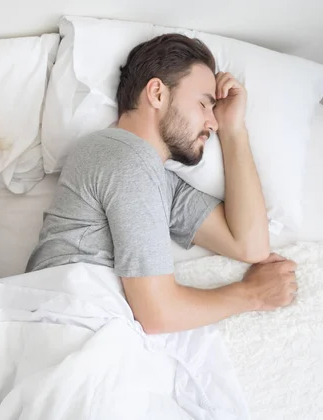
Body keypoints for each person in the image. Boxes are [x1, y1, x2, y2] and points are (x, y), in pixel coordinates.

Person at [26, 34, 298, 334]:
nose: (212, 122)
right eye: (204, 105)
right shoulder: (122, 155)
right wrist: (252, 295)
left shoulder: (157, 179)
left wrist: (234, 130)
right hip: (67, 326)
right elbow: (157, 314)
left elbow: (251, 246)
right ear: (157, 93)